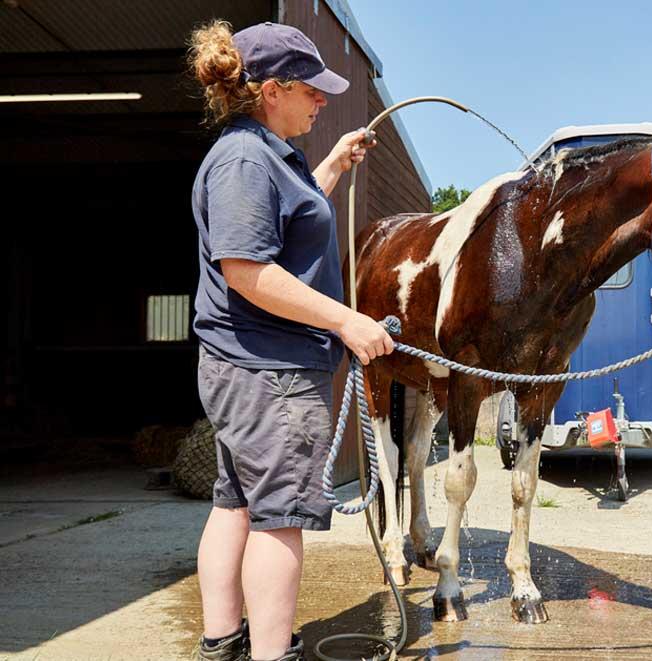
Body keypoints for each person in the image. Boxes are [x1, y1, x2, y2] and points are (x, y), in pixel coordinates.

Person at [187, 20, 393, 661]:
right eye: (311, 90)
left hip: (245, 366)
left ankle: (223, 643)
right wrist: (345, 320)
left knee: (236, 504)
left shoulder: (262, 153)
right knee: (279, 517)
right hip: (270, 368)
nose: (322, 101)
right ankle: (272, 654)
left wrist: (329, 166)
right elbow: (247, 271)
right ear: (272, 89)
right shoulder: (247, 159)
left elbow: (289, 230)